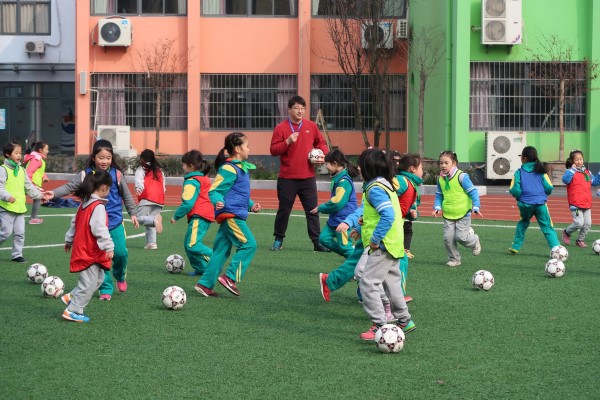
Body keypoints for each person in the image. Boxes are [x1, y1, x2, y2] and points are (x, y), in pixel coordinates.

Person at [43, 139, 138, 300]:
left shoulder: (117, 174)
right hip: (95, 225)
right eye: (101, 158)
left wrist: (133, 213)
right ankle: (106, 289)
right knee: (102, 257)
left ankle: (120, 276)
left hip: (114, 222)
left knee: (121, 254)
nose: (105, 161)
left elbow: (126, 195)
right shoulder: (85, 174)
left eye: (108, 158)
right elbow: (69, 186)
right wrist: (54, 193)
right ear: (94, 157)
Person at [355, 148, 415, 341]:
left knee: (367, 282)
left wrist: (375, 240)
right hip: (394, 243)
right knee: (392, 284)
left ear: (368, 168)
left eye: (360, 164)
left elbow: (387, 215)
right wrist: (365, 221)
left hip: (383, 245)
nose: (358, 168)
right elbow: (386, 213)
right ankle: (405, 320)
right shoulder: (386, 185)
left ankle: (379, 324)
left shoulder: (374, 189)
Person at [194, 132, 261, 297]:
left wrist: (251, 205)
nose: (249, 149)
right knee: (249, 245)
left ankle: (204, 284)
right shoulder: (229, 168)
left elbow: (239, 193)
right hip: (231, 215)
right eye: (247, 146)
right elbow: (215, 189)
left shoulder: (240, 168)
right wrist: (217, 200)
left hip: (234, 212)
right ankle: (230, 277)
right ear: (238, 149)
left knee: (221, 252)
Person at [269, 95, 330, 252]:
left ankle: (317, 242)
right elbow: (273, 150)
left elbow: (321, 143)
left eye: (303, 108)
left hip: (308, 177)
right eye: (296, 108)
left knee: (312, 211)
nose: (300, 111)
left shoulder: (311, 125)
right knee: (284, 210)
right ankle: (278, 239)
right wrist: (287, 142)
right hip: (287, 178)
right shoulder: (281, 128)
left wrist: (324, 154)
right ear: (289, 109)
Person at [60, 170, 114, 323]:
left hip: (86, 250)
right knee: (89, 283)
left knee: (99, 278)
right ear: (104, 187)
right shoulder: (97, 206)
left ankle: (72, 297)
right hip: (89, 251)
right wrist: (109, 246)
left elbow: (74, 223)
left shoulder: (84, 203)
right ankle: (73, 310)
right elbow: (99, 228)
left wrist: (69, 240)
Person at [433, 151, 482, 267]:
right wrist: (437, 207)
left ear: (454, 163)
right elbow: (439, 194)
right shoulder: (440, 179)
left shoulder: (462, 177)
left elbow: (473, 192)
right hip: (448, 214)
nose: (443, 165)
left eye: (446, 163)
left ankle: (474, 241)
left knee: (461, 237)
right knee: (448, 239)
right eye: (441, 163)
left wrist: (476, 206)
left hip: (463, 214)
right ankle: (454, 259)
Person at [171, 150, 215, 277]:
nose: (182, 167)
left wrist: (176, 215)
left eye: (183, 164)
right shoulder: (202, 178)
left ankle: (216, 258)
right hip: (203, 215)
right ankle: (201, 268)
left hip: (199, 216)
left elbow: (188, 203)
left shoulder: (192, 181)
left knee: (192, 244)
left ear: (190, 166)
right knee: (188, 244)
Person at [509, 146, 560, 253]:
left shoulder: (519, 172)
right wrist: (542, 195)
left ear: (524, 158)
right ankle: (556, 248)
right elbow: (549, 187)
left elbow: (514, 189)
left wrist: (519, 198)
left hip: (525, 204)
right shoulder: (541, 171)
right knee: (547, 226)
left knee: (523, 223)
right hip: (540, 204)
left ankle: (515, 247)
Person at [0, 140, 43, 263]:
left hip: (19, 207)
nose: (19, 155)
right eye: (16, 153)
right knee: (5, 233)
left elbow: (28, 186)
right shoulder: (3, 169)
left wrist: (39, 195)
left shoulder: (22, 170)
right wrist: (7, 196)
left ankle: (17, 254)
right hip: (6, 207)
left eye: (20, 153)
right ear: (8, 154)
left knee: (20, 233)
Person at [311, 149, 359, 257]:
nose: (325, 167)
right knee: (324, 239)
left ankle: (355, 263)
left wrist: (321, 208)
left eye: (326, 164)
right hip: (335, 218)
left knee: (345, 247)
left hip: (343, 220)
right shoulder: (337, 177)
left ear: (335, 164)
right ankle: (351, 256)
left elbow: (337, 203)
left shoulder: (344, 181)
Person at [394, 153, 423, 302]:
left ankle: (364, 294)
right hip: (390, 227)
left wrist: (413, 213)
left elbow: (411, 207)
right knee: (400, 260)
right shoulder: (402, 181)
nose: (422, 171)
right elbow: (385, 194)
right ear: (412, 169)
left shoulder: (412, 184)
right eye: (421, 167)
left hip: (395, 226)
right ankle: (398, 296)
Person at [561, 150, 600, 248]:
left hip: (586, 203)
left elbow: (594, 182)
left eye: (581, 159)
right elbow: (565, 180)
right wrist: (573, 171)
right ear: (572, 161)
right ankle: (566, 232)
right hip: (575, 203)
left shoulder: (587, 172)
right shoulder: (570, 172)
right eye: (577, 160)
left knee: (587, 224)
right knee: (579, 223)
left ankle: (580, 240)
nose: (579, 161)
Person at [134, 149, 165, 250]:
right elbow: (163, 186)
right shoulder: (159, 171)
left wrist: (139, 189)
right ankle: (152, 243)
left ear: (142, 159)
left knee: (138, 218)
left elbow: (139, 180)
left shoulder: (141, 169)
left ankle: (155, 220)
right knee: (151, 221)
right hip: (159, 198)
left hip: (147, 196)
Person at [23, 141, 50, 224]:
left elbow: (40, 171)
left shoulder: (38, 158)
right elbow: (29, 172)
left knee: (35, 198)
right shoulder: (36, 159)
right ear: (40, 150)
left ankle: (33, 218)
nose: (48, 151)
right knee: (38, 198)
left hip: (31, 183)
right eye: (47, 149)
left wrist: (44, 177)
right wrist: (30, 184)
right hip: (31, 183)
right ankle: (33, 219)